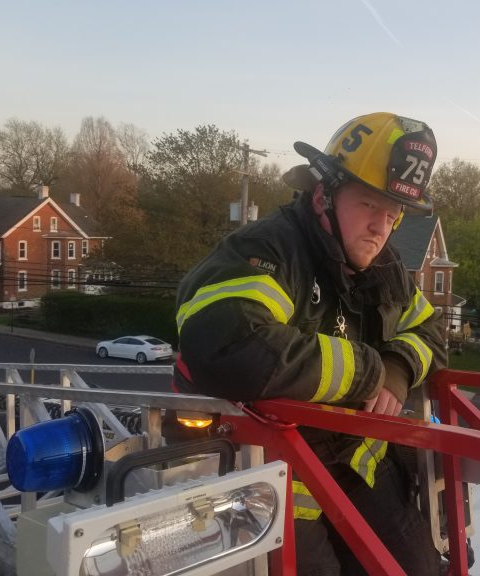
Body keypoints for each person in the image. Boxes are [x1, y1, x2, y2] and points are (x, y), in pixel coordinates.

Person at [173, 112, 445, 575]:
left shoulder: (386, 267)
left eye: (393, 214)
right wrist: (369, 372)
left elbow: (430, 331)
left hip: (360, 463)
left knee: (416, 568)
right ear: (323, 193)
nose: (382, 227)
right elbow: (229, 344)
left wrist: (398, 369)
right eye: (368, 205)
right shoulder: (266, 251)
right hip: (274, 482)